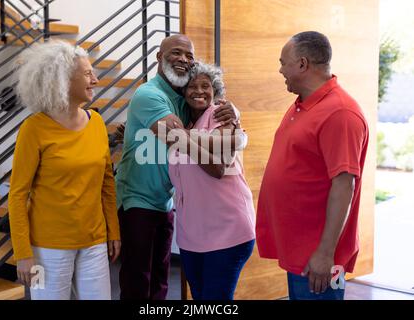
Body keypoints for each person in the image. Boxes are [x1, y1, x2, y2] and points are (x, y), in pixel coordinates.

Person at [115, 34, 239, 300]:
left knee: (161, 281)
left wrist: (234, 114)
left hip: (165, 201)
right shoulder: (149, 94)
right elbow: (179, 137)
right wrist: (234, 138)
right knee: (138, 283)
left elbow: (209, 106)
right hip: (137, 199)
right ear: (159, 57)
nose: (183, 59)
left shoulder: (183, 98)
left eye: (189, 55)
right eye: (175, 53)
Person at [255, 31, 369, 300]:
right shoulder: (303, 104)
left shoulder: (340, 112)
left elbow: (344, 185)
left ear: (303, 64)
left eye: (283, 62)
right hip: (299, 249)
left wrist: (325, 253)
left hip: (318, 258)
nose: (280, 70)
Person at [8, 40, 120, 300]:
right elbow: (17, 195)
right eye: (88, 73)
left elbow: (107, 184)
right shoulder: (33, 128)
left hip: (94, 242)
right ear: (63, 80)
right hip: (45, 248)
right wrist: (23, 253)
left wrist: (113, 231)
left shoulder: (98, 123)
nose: (96, 79)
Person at [168, 61, 255, 300]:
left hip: (227, 231)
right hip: (192, 235)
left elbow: (218, 168)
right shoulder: (186, 122)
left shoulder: (221, 116)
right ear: (183, 93)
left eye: (205, 86)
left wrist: (182, 139)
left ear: (215, 91)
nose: (199, 91)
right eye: (192, 87)